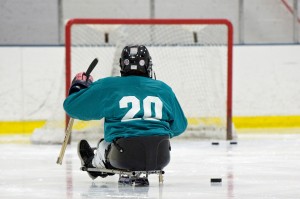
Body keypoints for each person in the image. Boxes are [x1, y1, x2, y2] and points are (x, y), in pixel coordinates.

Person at [63, 45, 187, 179]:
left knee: (104, 144)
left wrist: (79, 86)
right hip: (160, 156)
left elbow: (72, 107)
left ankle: (95, 162)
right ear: (148, 65)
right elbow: (180, 127)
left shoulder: (108, 86)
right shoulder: (164, 89)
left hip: (124, 156)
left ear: (122, 65)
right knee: (115, 142)